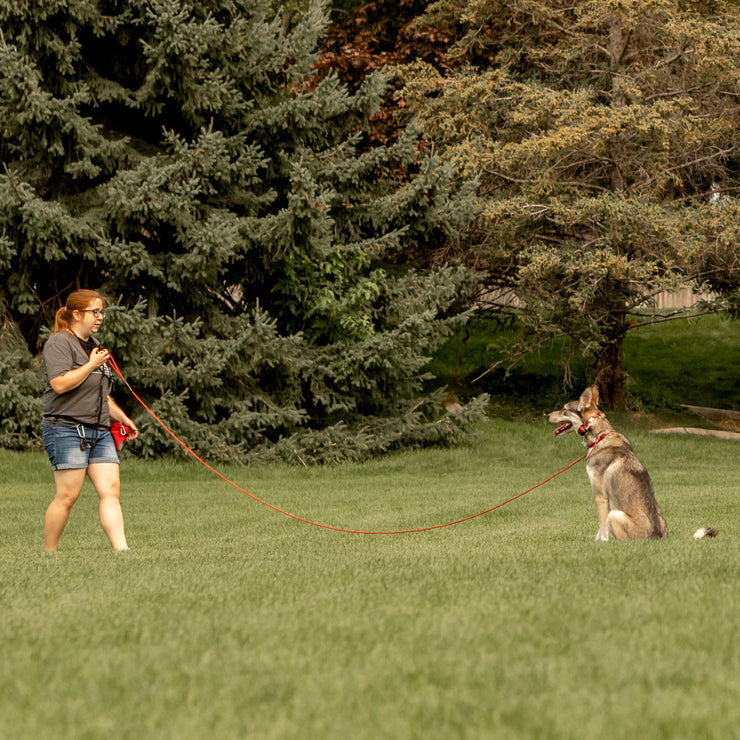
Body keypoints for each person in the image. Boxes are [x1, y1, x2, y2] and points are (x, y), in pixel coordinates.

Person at [41, 289, 139, 552]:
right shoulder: (59, 343)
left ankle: (122, 551)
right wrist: (91, 365)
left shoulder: (94, 346)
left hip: (100, 430)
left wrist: (123, 418)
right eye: (95, 312)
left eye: (101, 312)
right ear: (76, 314)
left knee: (111, 489)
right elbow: (60, 384)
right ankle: (49, 554)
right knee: (68, 495)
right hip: (66, 428)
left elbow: (100, 395)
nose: (100, 317)